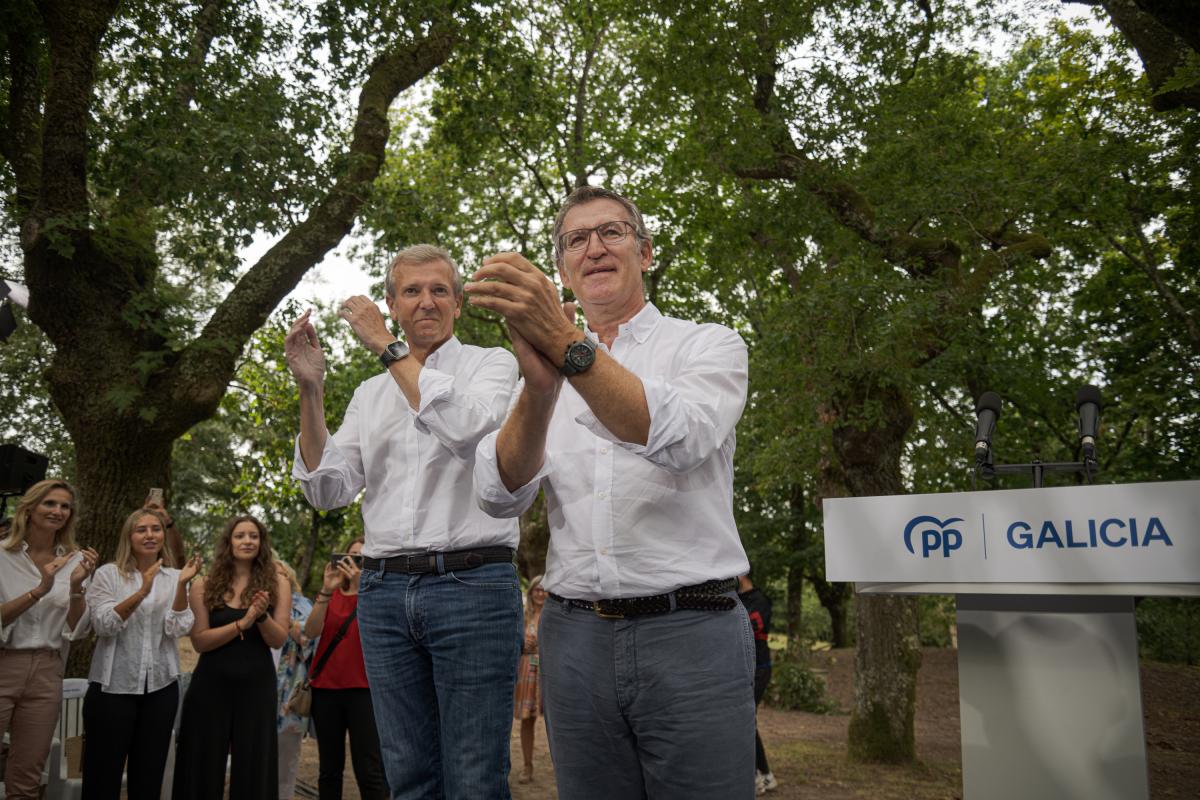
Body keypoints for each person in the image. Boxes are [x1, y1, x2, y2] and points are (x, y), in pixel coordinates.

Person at [469, 185, 756, 799]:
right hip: (574, 639)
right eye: (576, 239)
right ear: (563, 266)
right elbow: (499, 493)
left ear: (645, 252)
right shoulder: (535, 366)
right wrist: (541, 390)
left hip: (693, 632)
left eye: (612, 232)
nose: (594, 248)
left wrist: (572, 350)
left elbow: (679, 437)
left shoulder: (709, 344)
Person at [287, 244, 523, 799]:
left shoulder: (493, 364)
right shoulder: (371, 394)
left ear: (459, 303)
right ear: (392, 303)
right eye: (411, 291)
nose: (426, 301)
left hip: (473, 586)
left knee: (474, 778)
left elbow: (468, 428)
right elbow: (328, 487)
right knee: (408, 778)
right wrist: (311, 390)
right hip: (386, 592)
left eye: (439, 290)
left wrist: (385, 347)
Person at [82, 507, 201, 800]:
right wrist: (141, 591)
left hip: (160, 688)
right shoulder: (108, 575)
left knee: (148, 777)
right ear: (129, 536)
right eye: (141, 529)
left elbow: (179, 627)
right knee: (102, 776)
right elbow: (104, 624)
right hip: (112, 687)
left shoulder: (175, 576)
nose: (150, 535)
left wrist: (183, 585)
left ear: (163, 535)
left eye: (156, 529)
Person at [172, 515, 291, 800]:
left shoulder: (277, 583)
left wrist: (260, 616)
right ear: (229, 542)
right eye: (240, 536)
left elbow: (279, 639)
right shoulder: (204, 584)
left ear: (261, 543)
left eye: (254, 536)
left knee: (254, 766)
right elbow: (200, 641)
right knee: (200, 763)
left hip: (256, 686)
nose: (247, 541)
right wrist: (242, 622)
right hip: (210, 686)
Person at [0, 479, 98, 800]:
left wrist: (75, 588)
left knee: (27, 776)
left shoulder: (76, 562)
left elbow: (79, 629)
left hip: (48, 671)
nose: (58, 511)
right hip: (5, 662)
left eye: (65, 506)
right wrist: (38, 590)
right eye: (50, 503)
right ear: (29, 508)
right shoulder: (2, 555)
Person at [302, 538, 387, 800]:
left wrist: (364, 590)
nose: (355, 563)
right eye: (351, 556)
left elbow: (381, 633)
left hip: (364, 690)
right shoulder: (332, 593)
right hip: (326, 690)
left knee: (369, 769)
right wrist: (327, 591)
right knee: (329, 769)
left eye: (362, 558)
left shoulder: (379, 595)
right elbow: (310, 631)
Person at [275, 560, 315, 800]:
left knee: (287, 756)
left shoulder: (304, 606)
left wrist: (289, 623)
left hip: (291, 690)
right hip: (258, 686)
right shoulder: (253, 602)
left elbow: (312, 640)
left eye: (282, 575)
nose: (278, 579)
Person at [737, 572, 778, 795]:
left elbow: (755, 629)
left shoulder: (761, 600)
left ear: (742, 575)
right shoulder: (735, 599)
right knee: (747, 719)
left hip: (760, 669)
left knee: (743, 719)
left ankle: (754, 777)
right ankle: (765, 774)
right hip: (742, 668)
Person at [513, 575, 546, 785]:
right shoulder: (523, 616)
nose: (541, 593)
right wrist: (523, 645)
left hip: (549, 671)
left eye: (544, 590)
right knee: (527, 720)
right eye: (537, 590)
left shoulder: (554, 615)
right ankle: (527, 765)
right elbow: (514, 641)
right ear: (531, 592)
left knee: (557, 721)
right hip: (527, 671)